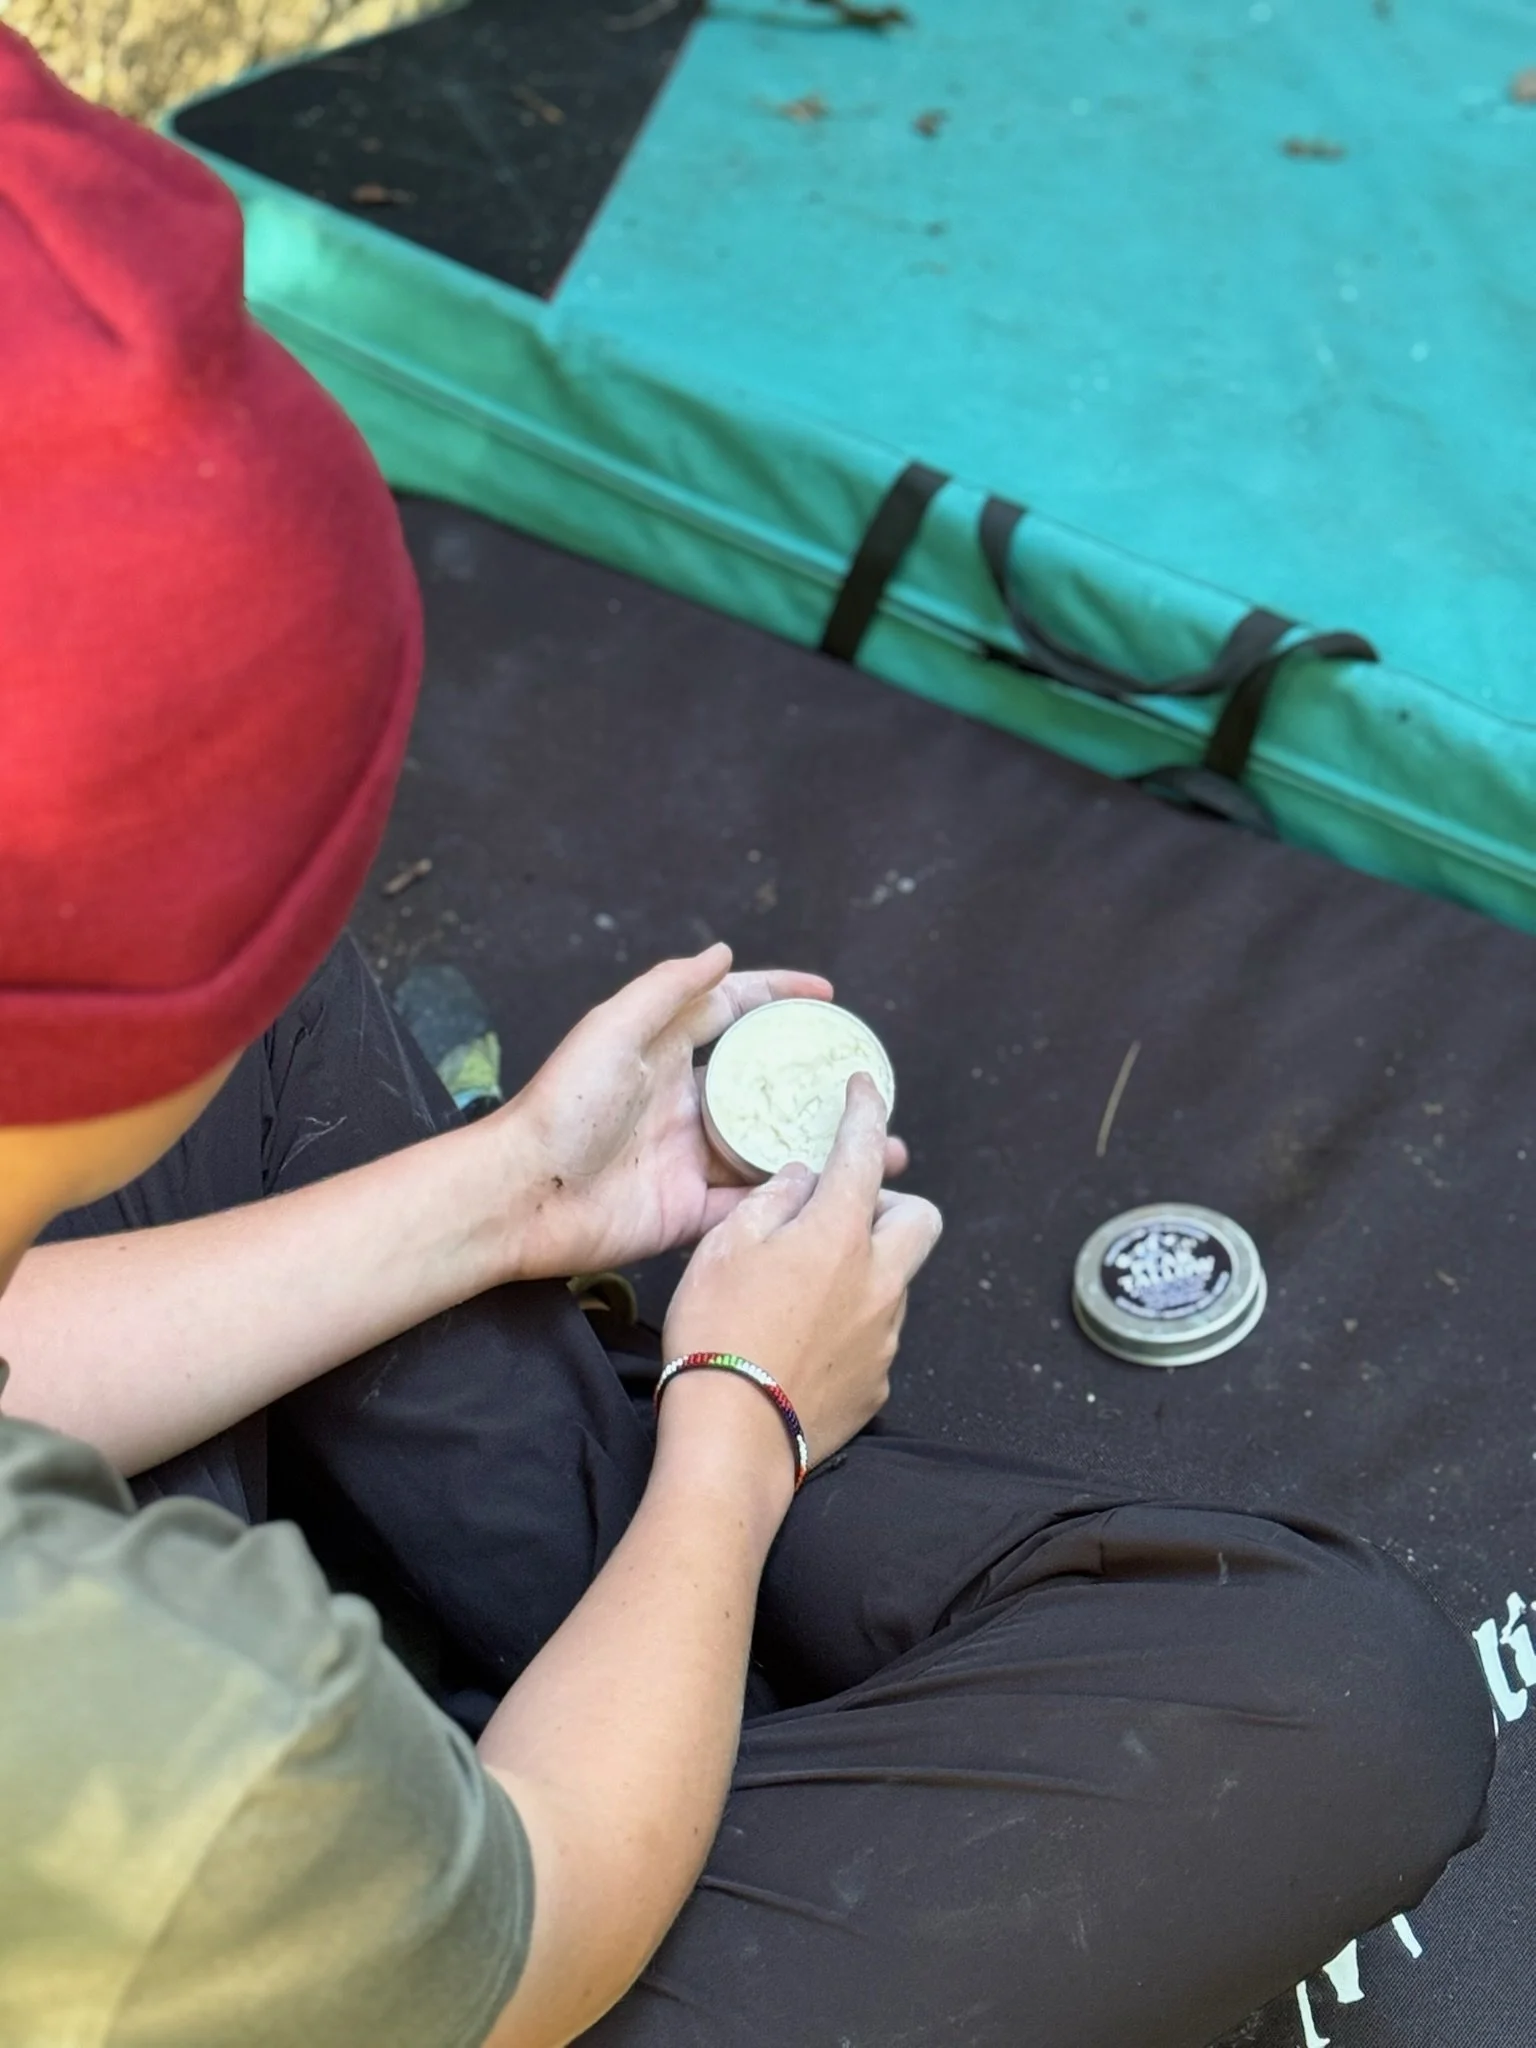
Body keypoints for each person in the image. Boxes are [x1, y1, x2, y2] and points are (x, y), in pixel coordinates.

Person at [0, 29, 1496, 2048]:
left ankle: (608, 1606)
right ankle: (645, 1612)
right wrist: (741, 1426)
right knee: (1325, 1702)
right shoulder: (112, 1720)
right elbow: (515, 1937)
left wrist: (511, 1191)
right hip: (422, 1932)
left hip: (222, 1834)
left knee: (279, 1048)